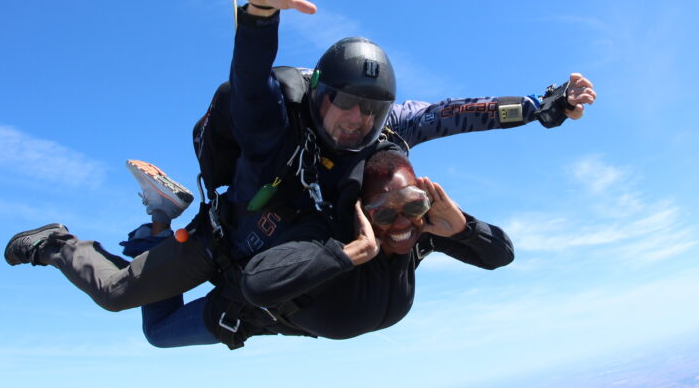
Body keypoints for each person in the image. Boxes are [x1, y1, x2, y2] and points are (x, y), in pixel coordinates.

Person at [4, 0, 595, 329]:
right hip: (229, 238)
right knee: (115, 294)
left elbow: (461, 114)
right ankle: (58, 244)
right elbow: (249, 88)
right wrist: (260, 15)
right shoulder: (279, 131)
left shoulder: (387, 133)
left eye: (372, 111)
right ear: (318, 94)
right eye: (345, 105)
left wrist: (545, 108)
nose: (356, 122)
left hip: (290, 256)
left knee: (162, 324)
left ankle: (160, 218)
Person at [127, 149, 512, 347]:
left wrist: (462, 228)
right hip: (242, 308)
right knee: (158, 333)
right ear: (360, 209)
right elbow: (258, 285)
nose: (399, 222)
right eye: (381, 211)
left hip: (281, 316)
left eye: (413, 204)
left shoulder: (423, 228)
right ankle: (160, 219)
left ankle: (160, 232)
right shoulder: (335, 236)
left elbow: (501, 256)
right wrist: (350, 252)